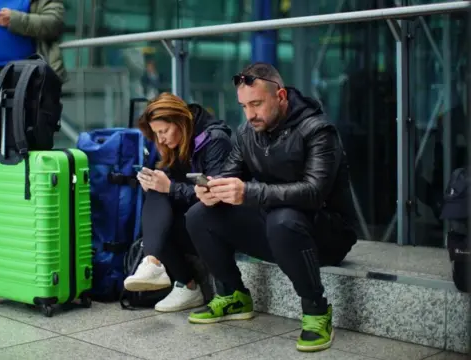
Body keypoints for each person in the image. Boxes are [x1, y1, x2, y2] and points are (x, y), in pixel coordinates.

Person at [185, 63, 357, 352]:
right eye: (243, 106)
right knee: (199, 215)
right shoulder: (246, 133)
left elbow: (314, 193)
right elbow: (231, 175)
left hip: (326, 235)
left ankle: (317, 311)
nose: (250, 114)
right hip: (278, 229)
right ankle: (233, 295)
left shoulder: (318, 130)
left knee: (283, 219)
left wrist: (249, 192)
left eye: (256, 104)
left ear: (280, 96)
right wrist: (212, 189)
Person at [123, 92, 232, 313]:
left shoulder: (215, 140)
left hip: (222, 223)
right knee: (156, 193)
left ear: (181, 121)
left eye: (163, 131)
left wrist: (170, 187)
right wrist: (155, 183)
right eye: (156, 134)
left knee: (163, 193)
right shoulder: (176, 143)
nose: (160, 139)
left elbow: (217, 196)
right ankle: (155, 265)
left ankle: (179, 279)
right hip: (193, 221)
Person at [0, 0, 67, 210]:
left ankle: (10, 192)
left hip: (18, 76)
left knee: (14, 136)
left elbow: (54, 23)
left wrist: (15, 19)